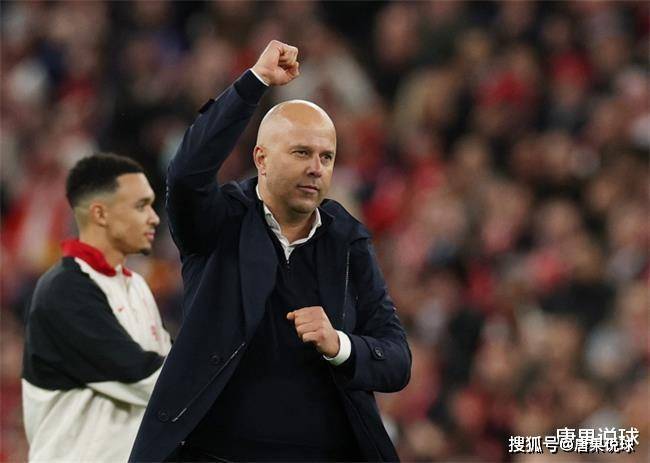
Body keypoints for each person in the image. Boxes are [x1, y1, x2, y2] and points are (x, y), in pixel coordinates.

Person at [130, 40, 411, 462]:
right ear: (261, 159)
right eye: (302, 153)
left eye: (327, 157)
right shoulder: (218, 223)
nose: (316, 168)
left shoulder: (347, 240)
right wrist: (254, 82)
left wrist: (340, 344)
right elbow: (186, 174)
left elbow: (397, 359)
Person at [22, 154, 172, 462]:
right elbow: (146, 378)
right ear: (100, 214)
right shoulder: (64, 290)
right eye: (141, 206)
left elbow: (170, 363)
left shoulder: (136, 286)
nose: (154, 218)